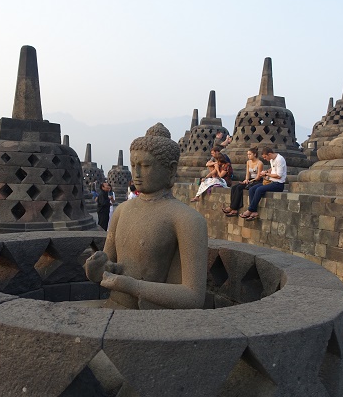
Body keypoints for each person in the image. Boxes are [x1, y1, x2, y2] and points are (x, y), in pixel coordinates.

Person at [85, 124, 207, 309]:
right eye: (134, 165)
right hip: (112, 307)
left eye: (145, 166)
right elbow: (109, 266)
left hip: (154, 322)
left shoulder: (187, 219)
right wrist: (97, 270)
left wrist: (133, 286)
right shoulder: (121, 210)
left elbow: (194, 297)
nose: (137, 174)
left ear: (171, 169)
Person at [239, 147, 286, 221]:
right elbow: (272, 169)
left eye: (265, 157)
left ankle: (250, 210)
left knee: (259, 189)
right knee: (252, 189)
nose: (265, 159)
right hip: (271, 182)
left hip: (278, 184)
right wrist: (266, 171)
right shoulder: (272, 159)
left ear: (269, 154)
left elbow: (278, 176)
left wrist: (266, 174)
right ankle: (254, 211)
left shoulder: (279, 159)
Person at [222, 147, 263, 217]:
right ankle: (232, 207)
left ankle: (234, 208)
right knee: (234, 187)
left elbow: (258, 177)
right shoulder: (248, 162)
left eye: (250, 154)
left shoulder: (260, 163)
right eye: (248, 154)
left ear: (255, 154)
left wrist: (250, 181)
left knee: (239, 188)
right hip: (249, 179)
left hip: (256, 181)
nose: (248, 156)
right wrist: (246, 179)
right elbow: (247, 173)